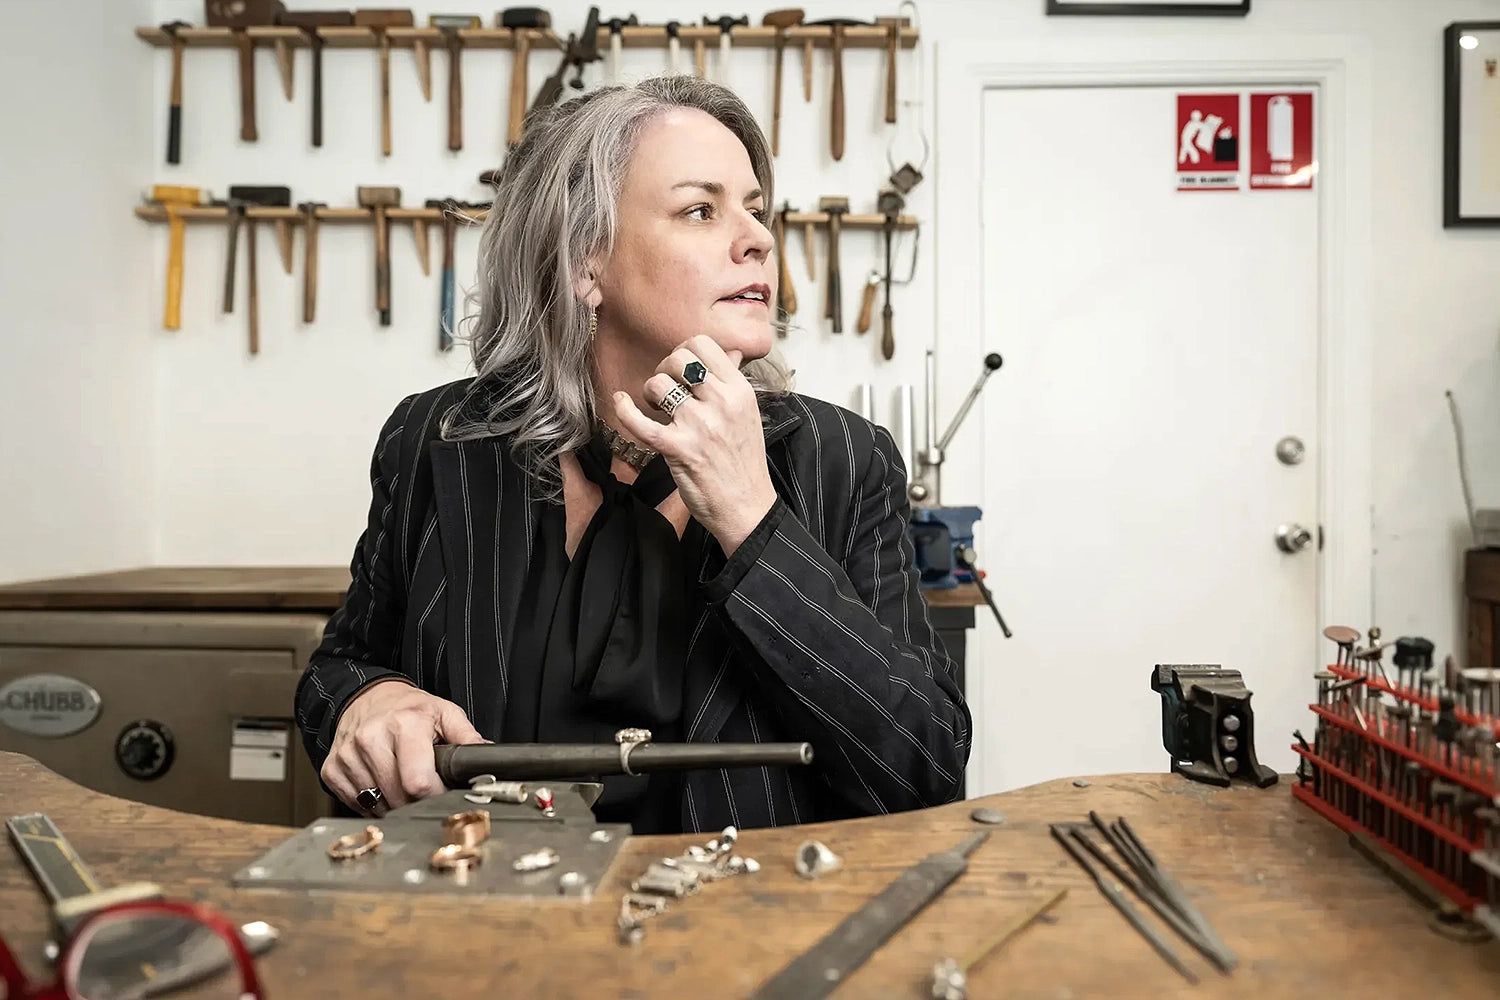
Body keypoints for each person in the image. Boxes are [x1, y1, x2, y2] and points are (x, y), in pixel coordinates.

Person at [294, 76, 971, 834]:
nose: (757, 236)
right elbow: (339, 668)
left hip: (747, 927)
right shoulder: (438, 441)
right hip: (486, 917)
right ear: (586, 263)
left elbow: (925, 769)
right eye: (701, 209)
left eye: (755, 208)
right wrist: (369, 701)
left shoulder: (843, 460)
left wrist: (752, 517)